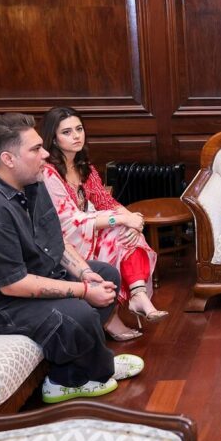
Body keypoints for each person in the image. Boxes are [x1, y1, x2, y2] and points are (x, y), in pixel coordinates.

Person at [0, 113, 144, 404]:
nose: (45, 154)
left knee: (104, 273)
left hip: (20, 277)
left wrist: (83, 274)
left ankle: (85, 364)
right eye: (35, 149)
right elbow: (13, 285)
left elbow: (54, 241)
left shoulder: (31, 181)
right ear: (8, 159)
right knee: (77, 312)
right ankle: (69, 380)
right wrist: (83, 291)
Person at [39, 107, 166, 342]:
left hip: (85, 231)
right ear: (53, 139)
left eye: (79, 129)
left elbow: (105, 201)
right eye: (67, 132)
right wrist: (122, 219)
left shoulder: (82, 164)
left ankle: (137, 294)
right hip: (60, 241)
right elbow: (68, 221)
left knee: (128, 233)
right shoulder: (48, 173)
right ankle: (112, 317)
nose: (76, 136)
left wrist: (133, 220)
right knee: (118, 230)